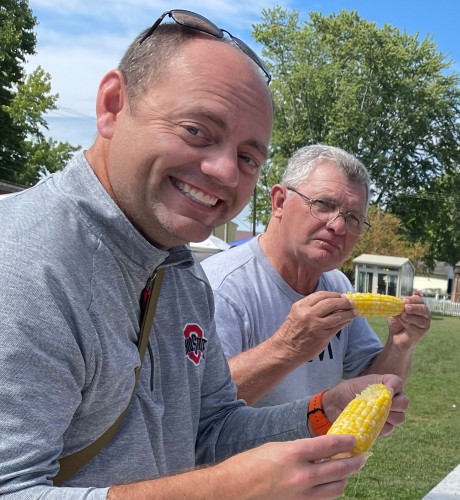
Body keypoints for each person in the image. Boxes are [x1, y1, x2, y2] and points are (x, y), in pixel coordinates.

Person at [0, 10, 408, 499]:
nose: (224, 173)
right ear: (113, 105)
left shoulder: (179, 271)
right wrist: (220, 491)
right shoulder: (23, 263)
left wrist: (321, 410)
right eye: (197, 130)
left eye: (247, 157)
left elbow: (210, 428)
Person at [203, 144, 431, 406]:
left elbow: (374, 383)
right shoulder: (220, 287)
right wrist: (288, 346)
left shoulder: (337, 284)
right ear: (279, 202)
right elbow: (199, 406)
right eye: (323, 204)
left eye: (354, 218)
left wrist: (400, 344)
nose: (338, 226)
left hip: (323, 447)